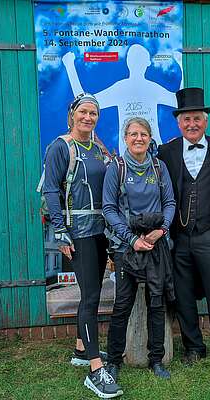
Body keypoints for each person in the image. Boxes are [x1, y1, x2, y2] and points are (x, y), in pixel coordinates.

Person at [40, 93, 122, 398]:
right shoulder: (61, 147)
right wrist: (60, 232)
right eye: (84, 112)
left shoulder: (98, 147)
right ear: (73, 113)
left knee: (94, 290)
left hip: (103, 231)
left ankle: (79, 348)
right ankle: (96, 369)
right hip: (79, 233)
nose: (89, 117)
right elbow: (50, 190)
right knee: (90, 297)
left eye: (94, 113)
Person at [157, 87, 210, 372]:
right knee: (183, 295)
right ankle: (193, 346)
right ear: (179, 123)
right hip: (179, 239)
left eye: (197, 119)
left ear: (206, 121)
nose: (192, 124)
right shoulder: (165, 152)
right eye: (186, 119)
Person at [102, 117, 176, 381]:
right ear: (125, 138)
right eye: (133, 134)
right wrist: (132, 240)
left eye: (143, 134)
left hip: (156, 245)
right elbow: (109, 209)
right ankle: (113, 360)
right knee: (123, 304)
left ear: (150, 137)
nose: (138, 138)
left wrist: (162, 230)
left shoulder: (159, 167)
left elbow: (170, 202)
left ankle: (156, 359)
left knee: (156, 304)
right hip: (126, 248)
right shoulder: (117, 168)